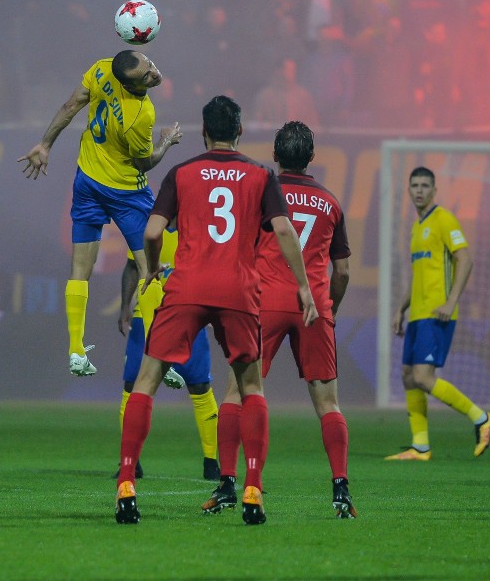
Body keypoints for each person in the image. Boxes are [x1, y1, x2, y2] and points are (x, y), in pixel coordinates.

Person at [114, 95, 317, 525]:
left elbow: (152, 230)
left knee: (147, 380)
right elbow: (283, 229)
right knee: (251, 387)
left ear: (204, 132)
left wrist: (150, 270)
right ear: (239, 131)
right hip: (238, 289)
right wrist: (303, 286)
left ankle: (127, 482)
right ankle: (252, 489)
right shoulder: (261, 174)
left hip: (187, 284)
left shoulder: (182, 173)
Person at [201, 120, 356, 519]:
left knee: (239, 392)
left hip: (264, 302)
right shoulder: (330, 202)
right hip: (313, 305)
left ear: (274, 154)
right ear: (311, 157)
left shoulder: (259, 192)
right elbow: (343, 272)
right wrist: (330, 307)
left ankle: (229, 484)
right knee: (328, 402)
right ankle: (341, 489)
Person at [18, 50, 182, 376]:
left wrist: (45, 144)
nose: (153, 74)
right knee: (153, 268)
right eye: (145, 78)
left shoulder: (102, 69)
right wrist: (165, 142)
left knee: (80, 270)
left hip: (88, 181)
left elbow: (70, 106)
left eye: (149, 65)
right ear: (132, 86)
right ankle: (157, 356)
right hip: (126, 192)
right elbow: (144, 162)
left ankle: (76, 351)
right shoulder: (141, 114)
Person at [387, 166, 490, 461]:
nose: (420, 190)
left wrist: (450, 302)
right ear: (409, 190)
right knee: (408, 376)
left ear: (435, 191)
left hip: (437, 313)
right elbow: (417, 275)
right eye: (415, 185)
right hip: (417, 314)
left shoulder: (443, 219)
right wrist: (401, 308)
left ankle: (481, 418)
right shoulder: (416, 227)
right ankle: (420, 446)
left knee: (423, 377)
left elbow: (465, 259)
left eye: (425, 185)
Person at [114, 229, 220, 481]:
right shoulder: (147, 226)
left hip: (188, 313)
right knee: (132, 385)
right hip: (146, 317)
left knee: (200, 385)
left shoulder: (196, 225)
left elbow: (211, 268)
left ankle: (211, 462)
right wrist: (124, 307)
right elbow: (132, 267)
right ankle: (131, 461)